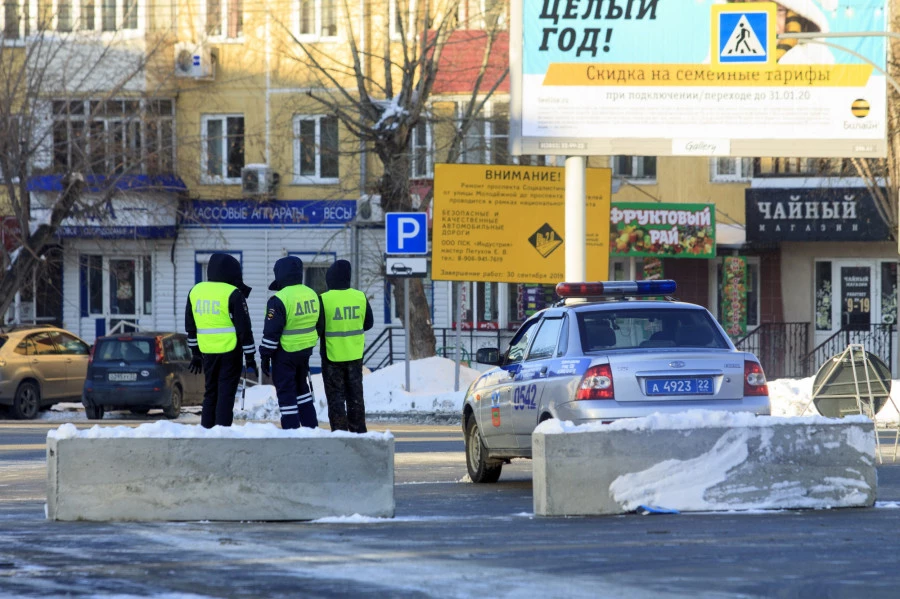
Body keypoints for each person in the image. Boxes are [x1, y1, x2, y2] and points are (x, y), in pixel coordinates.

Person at [185, 253, 257, 428]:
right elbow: (244, 328)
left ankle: (207, 430)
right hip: (230, 351)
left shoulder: (195, 291)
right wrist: (250, 357)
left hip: (206, 351)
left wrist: (195, 353)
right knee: (225, 394)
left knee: (210, 393)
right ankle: (222, 432)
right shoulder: (233, 293)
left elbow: (190, 325)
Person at [259, 256, 321, 429]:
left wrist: (265, 356)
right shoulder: (312, 294)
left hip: (285, 353)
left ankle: (291, 431)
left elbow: (271, 333)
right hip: (305, 351)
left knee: (286, 392)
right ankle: (311, 427)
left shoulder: (279, 300)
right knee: (302, 389)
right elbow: (319, 323)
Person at [317, 259, 374, 433]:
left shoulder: (324, 299)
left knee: (336, 398)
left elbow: (319, 327)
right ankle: (358, 431)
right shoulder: (359, 296)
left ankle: (340, 432)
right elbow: (369, 323)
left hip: (332, 356)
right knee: (355, 396)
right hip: (355, 355)